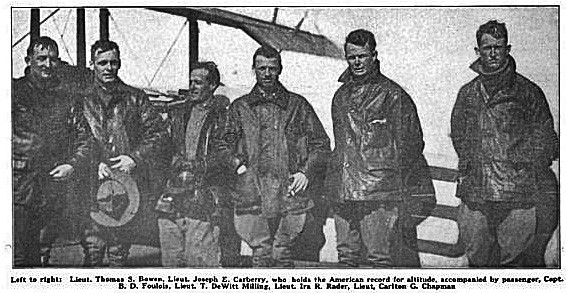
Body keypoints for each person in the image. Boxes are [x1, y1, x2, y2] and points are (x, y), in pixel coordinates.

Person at [451, 20, 559, 267]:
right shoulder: (467, 93)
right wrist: (473, 165)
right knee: (477, 259)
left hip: (517, 195)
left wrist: (519, 164)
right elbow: (459, 136)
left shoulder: (528, 92)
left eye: (498, 47)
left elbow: (547, 140)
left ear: (507, 49)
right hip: (476, 194)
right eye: (487, 48)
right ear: (478, 51)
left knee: (513, 262)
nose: (493, 53)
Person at [327, 29, 435, 267]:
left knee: (379, 258)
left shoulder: (392, 95)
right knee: (346, 257)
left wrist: (386, 178)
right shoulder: (341, 96)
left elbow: (412, 143)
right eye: (351, 57)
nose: (356, 62)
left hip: (378, 193)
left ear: (374, 55)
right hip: (344, 191)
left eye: (362, 56)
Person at [215, 46, 330, 267]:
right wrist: (238, 165)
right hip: (251, 190)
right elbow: (221, 144)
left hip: (288, 192)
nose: (267, 74)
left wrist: (305, 172)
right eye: (261, 68)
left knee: (282, 253)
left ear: (280, 70)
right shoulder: (240, 108)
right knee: (260, 253)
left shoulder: (298, 106)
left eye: (272, 68)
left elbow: (321, 143)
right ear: (254, 70)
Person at [79, 40, 170, 267]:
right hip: (90, 183)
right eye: (102, 63)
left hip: (127, 187)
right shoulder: (80, 99)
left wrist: (134, 157)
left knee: (119, 249)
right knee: (93, 247)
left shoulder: (136, 98)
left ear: (119, 64)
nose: (109, 68)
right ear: (92, 64)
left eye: (114, 62)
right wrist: (92, 162)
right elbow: (71, 138)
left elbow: (159, 134)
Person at [12, 36, 92, 267]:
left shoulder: (66, 97)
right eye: (42, 58)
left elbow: (84, 137)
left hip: (52, 188)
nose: (48, 65)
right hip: (18, 187)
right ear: (28, 60)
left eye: (53, 60)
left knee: (41, 256)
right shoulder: (12, 92)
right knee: (16, 255)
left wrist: (72, 165)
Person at [155, 61, 241, 267]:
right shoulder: (177, 113)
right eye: (191, 81)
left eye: (199, 82)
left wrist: (199, 166)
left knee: (201, 262)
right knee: (171, 262)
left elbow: (227, 154)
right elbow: (161, 147)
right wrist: (173, 163)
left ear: (212, 86)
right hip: (173, 196)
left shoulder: (224, 117)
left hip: (204, 198)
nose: (192, 86)